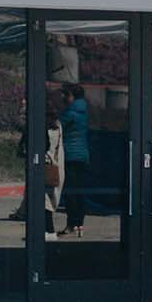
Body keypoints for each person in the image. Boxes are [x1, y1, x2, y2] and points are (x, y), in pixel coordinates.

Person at [58, 85, 89, 236]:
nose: (63, 98)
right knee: (80, 190)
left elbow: (57, 127)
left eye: (65, 95)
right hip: (83, 155)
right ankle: (80, 224)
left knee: (70, 191)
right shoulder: (84, 111)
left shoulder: (69, 112)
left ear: (71, 96)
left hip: (70, 155)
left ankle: (71, 224)